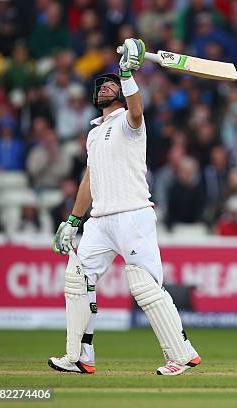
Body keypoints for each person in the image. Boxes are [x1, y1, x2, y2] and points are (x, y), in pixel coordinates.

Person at [49, 38, 200, 376]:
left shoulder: (129, 123)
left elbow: (136, 110)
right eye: (101, 84)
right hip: (100, 220)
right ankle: (79, 356)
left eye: (111, 83)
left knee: (145, 287)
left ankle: (181, 355)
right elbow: (90, 180)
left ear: (121, 90)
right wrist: (74, 220)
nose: (105, 87)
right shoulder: (93, 133)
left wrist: (128, 74)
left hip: (133, 214)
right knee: (77, 277)